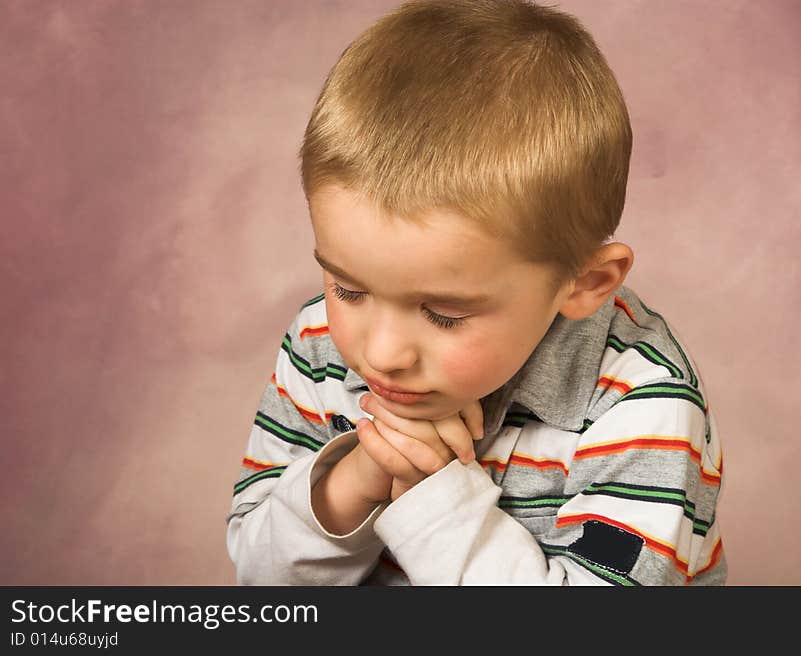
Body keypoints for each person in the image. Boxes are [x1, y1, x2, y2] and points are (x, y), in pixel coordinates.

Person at [225, 0, 726, 585]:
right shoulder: (318, 342)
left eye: (442, 314)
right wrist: (357, 477)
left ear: (584, 284)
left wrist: (433, 495)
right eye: (349, 289)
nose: (381, 353)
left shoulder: (642, 401)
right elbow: (261, 586)